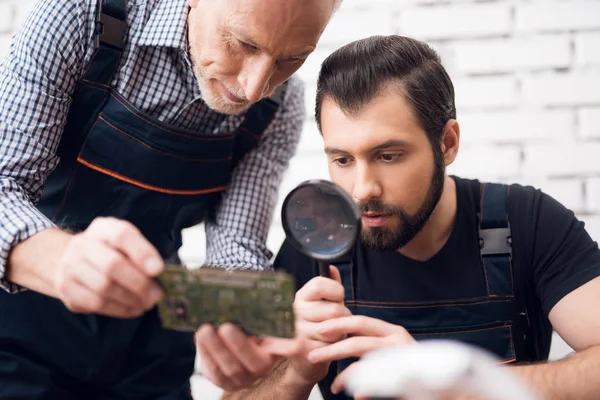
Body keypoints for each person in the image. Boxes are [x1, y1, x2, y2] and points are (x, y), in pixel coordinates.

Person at [221, 35, 600, 400]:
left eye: (388, 156)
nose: (362, 189)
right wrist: (297, 371)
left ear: (447, 143)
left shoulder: (526, 221)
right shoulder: (317, 241)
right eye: (343, 160)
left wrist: (462, 387)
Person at [0, 0, 340, 398]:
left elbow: (236, 248)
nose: (254, 86)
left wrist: (242, 321)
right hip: (20, 337)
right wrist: (60, 259)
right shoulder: (82, 17)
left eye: (291, 59)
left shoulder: (279, 105)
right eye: (242, 43)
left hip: (149, 351)